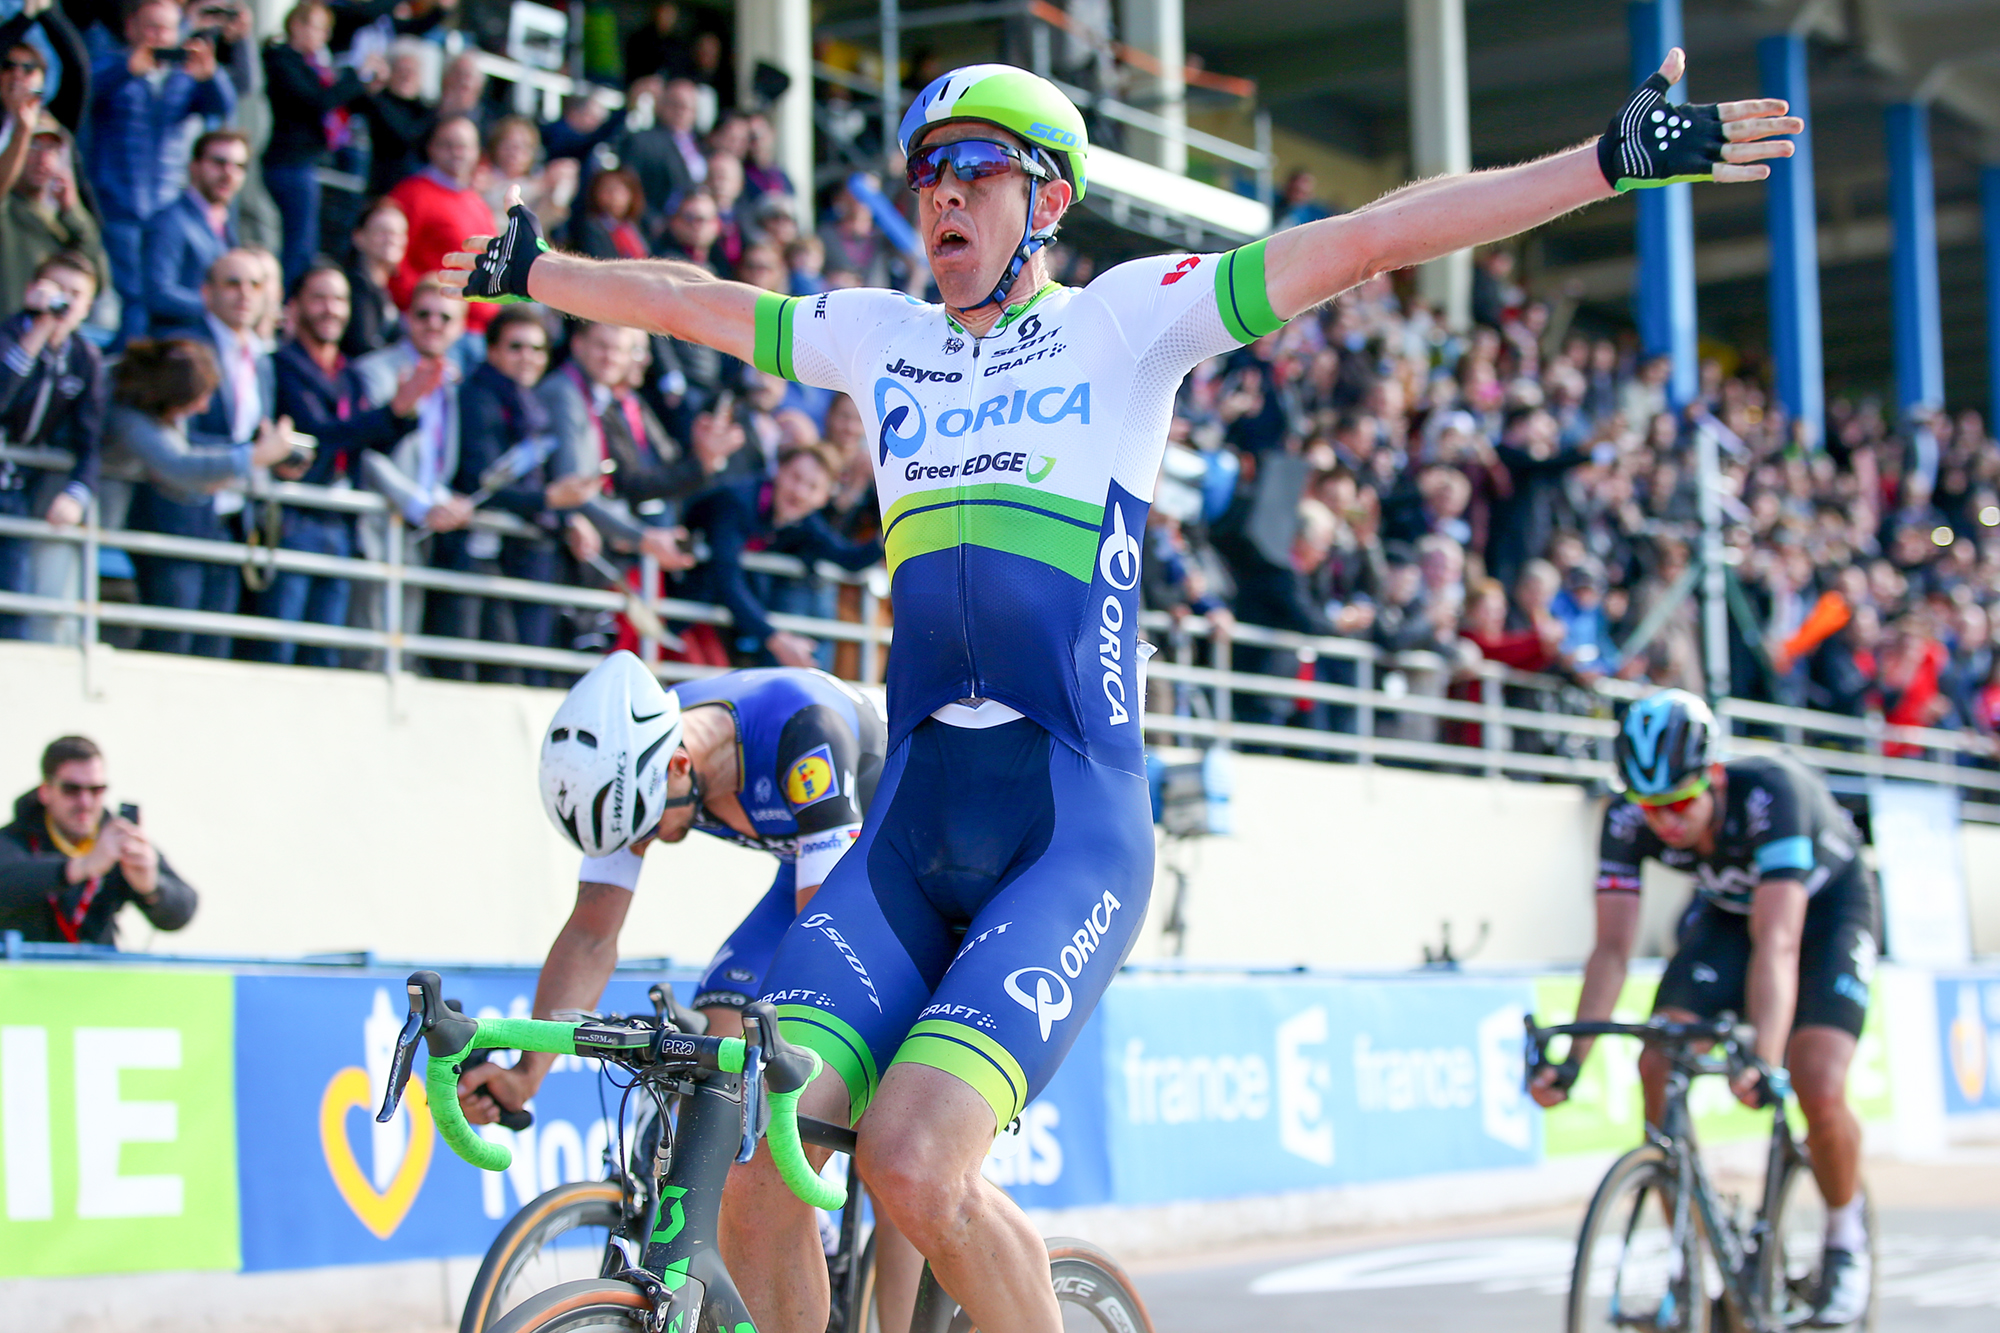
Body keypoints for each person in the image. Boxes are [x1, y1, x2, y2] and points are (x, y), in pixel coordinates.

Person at [444, 54, 1797, 1333]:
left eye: (974, 169)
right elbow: (686, 298)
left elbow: (1371, 238)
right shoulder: (879, 337)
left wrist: (1598, 164)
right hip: (913, 823)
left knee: (913, 1162)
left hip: (1066, 832)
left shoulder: (1123, 323)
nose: (940, 195)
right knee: (752, 1158)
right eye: (925, 174)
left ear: (1045, 199)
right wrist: (535, 269)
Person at [455, 652, 923, 1317]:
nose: (642, 844)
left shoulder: (802, 733)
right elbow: (590, 933)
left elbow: (824, 940)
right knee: (715, 1059)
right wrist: (527, 1072)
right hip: (811, 866)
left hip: (905, 868)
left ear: (679, 766)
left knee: (883, 1135)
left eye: (647, 828)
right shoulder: (636, 758)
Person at [1531, 690, 1879, 1326]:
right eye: (1650, 807)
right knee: (1658, 1057)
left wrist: (1763, 1058)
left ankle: (1843, 1237)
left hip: (1824, 916)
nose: (1664, 823)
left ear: (1713, 776)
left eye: (1678, 804)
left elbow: (1779, 943)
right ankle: (1691, 1259)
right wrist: (1574, 1061)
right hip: (1729, 915)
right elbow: (1611, 949)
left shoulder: (1772, 795)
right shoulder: (1627, 818)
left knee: (1816, 1079)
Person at [262, 261, 438, 666]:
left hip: (342, 523)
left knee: (324, 656)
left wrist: (404, 414)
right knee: (278, 649)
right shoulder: (282, 364)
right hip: (295, 521)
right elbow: (317, 435)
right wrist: (392, 411)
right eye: (319, 298)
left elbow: (369, 443)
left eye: (339, 299)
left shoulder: (350, 374)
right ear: (295, 306)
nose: (331, 308)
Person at [106, 337, 298, 656]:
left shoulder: (153, 405)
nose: (204, 408)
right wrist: (256, 456)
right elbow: (179, 465)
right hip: (69, 512)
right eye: (200, 398)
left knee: (209, 638)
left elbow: (183, 469)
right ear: (171, 393)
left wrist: (241, 460)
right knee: (170, 638)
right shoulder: (126, 412)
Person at [88, 0, 236, 345]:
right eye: (151, 27)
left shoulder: (185, 77)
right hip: (117, 205)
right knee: (133, 297)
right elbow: (85, 93)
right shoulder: (112, 64)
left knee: (158, 295)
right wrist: (127, 70)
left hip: (167, 208)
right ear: (131, 28)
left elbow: (224, 111)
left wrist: (211, 76)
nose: (158, 37)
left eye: (166, 29)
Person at [680, 440, 882, 669]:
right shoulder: (736, 501)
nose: (799, 492)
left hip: (718, 613)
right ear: (779, 471)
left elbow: (848, 559)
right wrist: (776, 640)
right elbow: (726, 577)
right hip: (679, 600)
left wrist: (891, 532)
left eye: (813, 487)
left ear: (824, 498)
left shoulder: (804, 520)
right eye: (795, 477)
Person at [0, 735, 196, 946]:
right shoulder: (15, 837)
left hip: (97, 966)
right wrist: (81, 867)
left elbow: (182, 911)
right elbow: (7, 881)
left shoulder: (116, 837)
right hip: (24, 966)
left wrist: (151, 888)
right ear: (45, 792)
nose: (85, 802)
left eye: (96, 790)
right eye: (71, 789)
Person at [0, 250, 105, 642]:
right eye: (57, 289)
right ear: (33, 290)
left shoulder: (84, 358)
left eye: (76, 294)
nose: (65, 301)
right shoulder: (11, 333)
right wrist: (38, 330)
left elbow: (90, 442)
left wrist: (76, 494)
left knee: (14, 599)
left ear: (88, 306)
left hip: (18, 491)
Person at [262, 0, 386, 290]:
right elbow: (317, 102)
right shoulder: (282, 60)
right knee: (298, 245)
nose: (323, 37)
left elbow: (334, 103)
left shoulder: (312, 66)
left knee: (304, 243)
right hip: (288, 162)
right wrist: (356, 76)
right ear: (296, 25)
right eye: (317, 28)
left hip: (303, 162)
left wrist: (365, 87)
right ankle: (288, 299)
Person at [388, 114, 497, 329]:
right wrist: (421, 302)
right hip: (430, 324)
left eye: (464, 146)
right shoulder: (411, 194)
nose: (457, 153)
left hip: (477, 326)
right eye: (448, 145)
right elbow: (393, 261)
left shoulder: (478, 204)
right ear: (431, 148)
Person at [142, 129, 250, 336]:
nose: (229, 173)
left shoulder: (227, 226)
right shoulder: (169, 221)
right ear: (194, 166)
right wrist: (219, 304)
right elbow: (157, 295)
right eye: (219, 162)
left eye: (239, 166)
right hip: (175, 343)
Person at [0, 112, 108, 316]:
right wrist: (22, 130)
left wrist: (72, 211)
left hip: (43, 332)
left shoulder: (63, 222)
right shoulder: (6, 209)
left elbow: (97, 281)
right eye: (33, 145)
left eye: (52, 149)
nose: (43, 158)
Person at [341, 195, 407, 357]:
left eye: (399, 233)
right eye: (383, 232)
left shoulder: (385, 292)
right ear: (359, 237)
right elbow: (361, 348)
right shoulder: (351, 287)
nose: (391, 240)